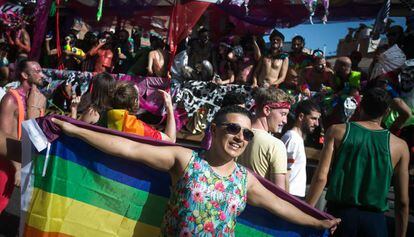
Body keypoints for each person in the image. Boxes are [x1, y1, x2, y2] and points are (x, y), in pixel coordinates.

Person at [52, 105, 340, 236]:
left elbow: (280, 205)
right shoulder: (186, 160)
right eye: (233, 129)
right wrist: (74, 129)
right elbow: (128, 148)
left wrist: (318, 223)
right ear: (214, 130)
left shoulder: (245, 180)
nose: (241, 137)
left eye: (247, 134)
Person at [306, 88, 409, 237]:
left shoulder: (337, 131)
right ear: (386, 112)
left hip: (339, 218)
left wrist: (305, 212)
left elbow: (321, 177)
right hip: (375, 223)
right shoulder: (400, 146)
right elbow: (403, 202)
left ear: (360, 106)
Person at [0, 60, 46, 213]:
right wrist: (17, 167)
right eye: (37, 71)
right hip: (7, 163)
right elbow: (4, 137)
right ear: (25, 75)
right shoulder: (10, 99)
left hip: (27, 159)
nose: (42, 74)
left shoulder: (39, 99)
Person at [237, 88, 292, 190]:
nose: (285, 121)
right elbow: (279, 194)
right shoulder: (276, 145)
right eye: (283, 114)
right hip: (259, 204)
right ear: (267, 110)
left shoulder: (236, 135)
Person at [107, 81, 176, 142]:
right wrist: (169, 107)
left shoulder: (104, 114)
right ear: (135, 102)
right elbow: (170, 140)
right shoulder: (135, 127)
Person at [281, 100, 321, 198]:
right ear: (301, 117)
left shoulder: (296, 138)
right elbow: (284, 172)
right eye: (313, 119)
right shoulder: (292, 139)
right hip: (290, 196)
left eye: (317, 119)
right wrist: (286, 200)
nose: (317, 124)